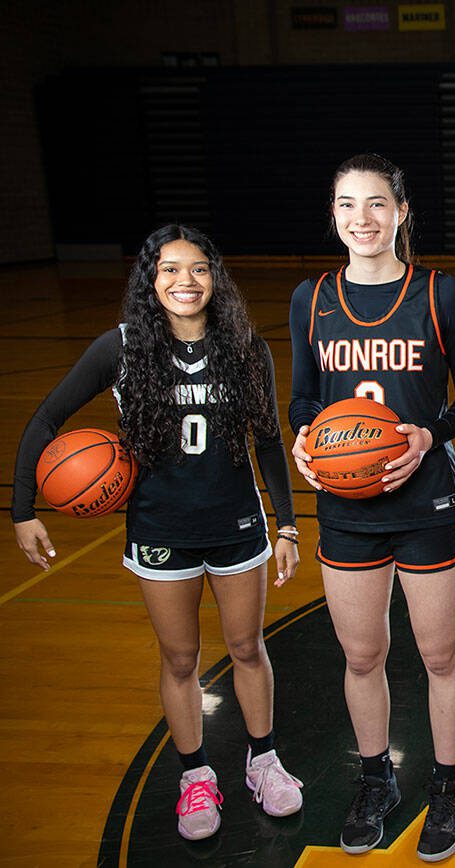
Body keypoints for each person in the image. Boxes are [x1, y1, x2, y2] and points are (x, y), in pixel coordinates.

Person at [11, 225, 302, 841]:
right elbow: (46, 417)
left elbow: (270, 441)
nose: (184, 282)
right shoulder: (119, 348)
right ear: (150, 281)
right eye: (169, 270)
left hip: (236, 524)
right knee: (180, 658)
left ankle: (264, 759)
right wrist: (22, 508)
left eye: (197, 269)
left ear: (215, 279)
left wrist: (289, 525)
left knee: (247, 647)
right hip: (160, 528)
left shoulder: (244, 347)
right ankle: (195, 774)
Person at [287, 154, 455, 860]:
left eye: (375, 204)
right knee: (362, 654)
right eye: (346, 205)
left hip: (425, 500)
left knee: (439, 653)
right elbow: (305, 395)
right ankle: (376, 780)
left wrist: (432, 432)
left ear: (401, 211)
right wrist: (305, 438)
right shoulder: (313, 297)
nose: (361, 219)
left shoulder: (438, 294)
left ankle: (446, 787)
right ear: (332, 214)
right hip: (345, 504)